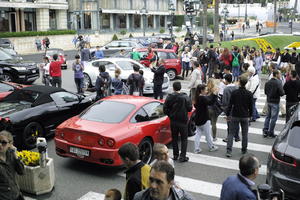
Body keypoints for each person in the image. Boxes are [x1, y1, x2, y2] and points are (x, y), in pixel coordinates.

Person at [163, 82, 192, 163]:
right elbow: (190, 108)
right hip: (183, 121)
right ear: (180, 87)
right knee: (184, 139)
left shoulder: (169, 97)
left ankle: (175, 155)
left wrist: (170, 115)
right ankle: (182, 156)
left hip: (173, 121)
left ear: (173, 88)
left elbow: (165, 109)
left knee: (174, 138)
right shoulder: (185, 97)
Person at [225, 75, 253, 157]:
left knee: (231, 133)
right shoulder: (249, 94)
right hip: (245, 116)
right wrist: (250, 116)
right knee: (245, 134)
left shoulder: (234, 92)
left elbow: (230, 105)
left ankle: (229, 151)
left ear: (239, 82)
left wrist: (227, 114)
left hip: (235, 115)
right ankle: (244, 150)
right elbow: (251, 107)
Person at [193, 84, 219, 153]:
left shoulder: (197, 97)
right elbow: (210, 102)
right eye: (206, 90)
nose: (207, 91)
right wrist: (215, 95)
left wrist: (212, 94)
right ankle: (211, 147)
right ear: (202, 91)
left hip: (198, 118)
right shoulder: (202, 98)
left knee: (198, 134)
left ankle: (196, 148)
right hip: (204, 119)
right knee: (208, 134)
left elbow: (207, 99)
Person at [0, 130, 25, 200]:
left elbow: (21, 172)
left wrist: (16, 156)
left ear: (10, 144)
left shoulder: (11, 154)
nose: (0, 145)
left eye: (3, 142)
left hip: (16, 194)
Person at [263, 70, 285, 138]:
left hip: (269, 101)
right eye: (279, 74)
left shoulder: (268, 82)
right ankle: (270, 132)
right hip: (275, 102)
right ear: (276, 75)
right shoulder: (278, 82)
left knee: (268, 116)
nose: (280, 75)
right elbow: (281, 93)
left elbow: (265, 92)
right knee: (273, 118)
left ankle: (265, 131)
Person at [222, 74, 240, 143]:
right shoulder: (236, 87)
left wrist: (225, 110)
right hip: (236, 108)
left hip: (229, 109)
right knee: (236, 123)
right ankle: (237, 136)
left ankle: (229, 137)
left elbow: (224, 101)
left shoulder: (226, 89)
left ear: (226, 80)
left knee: (229, 124)